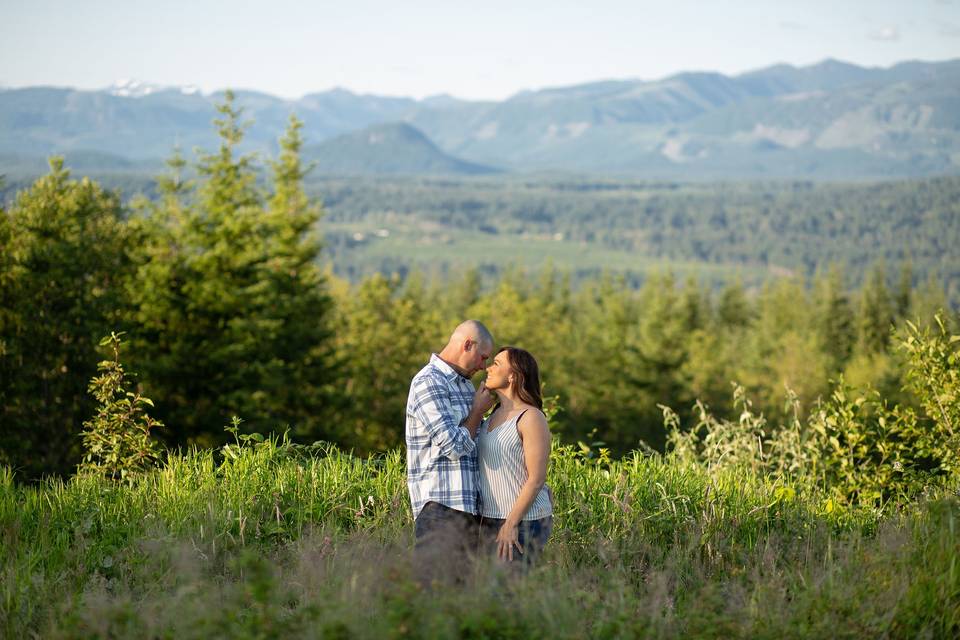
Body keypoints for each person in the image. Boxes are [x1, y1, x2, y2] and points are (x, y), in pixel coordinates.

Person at [405, 320, 496, 583]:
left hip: (470, 511)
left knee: (461, 605)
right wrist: (478, 412)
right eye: (482, 357)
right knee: (434, 600)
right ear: (467, 344)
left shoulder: (465, 387)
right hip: (441, 510)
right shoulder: (428, 383)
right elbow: (454, 446)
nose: (483, 366)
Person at [476, 346, 553, 568]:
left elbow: (536, 479)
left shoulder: (531, 417)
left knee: (508, 593)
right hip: (490, 518)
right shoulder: (490, 415)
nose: (488, 368)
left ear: (513, 375)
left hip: (524, 521)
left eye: (497, 364)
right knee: (492, 595)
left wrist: (510, 524)